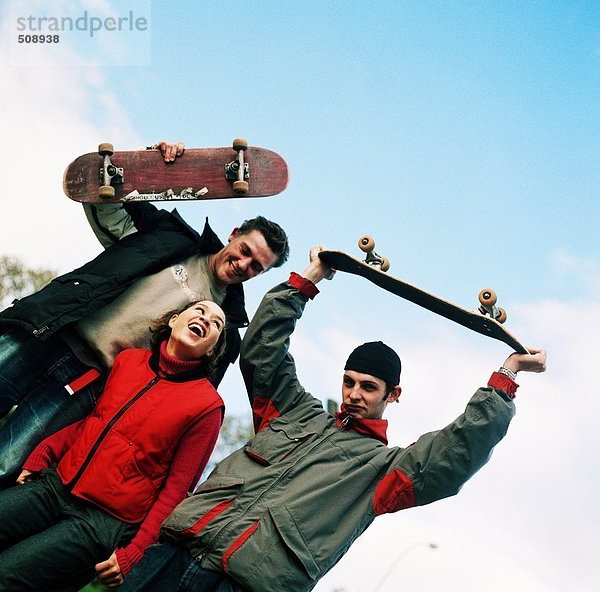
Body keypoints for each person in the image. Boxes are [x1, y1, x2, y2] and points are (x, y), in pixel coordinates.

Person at [121, 246, 547, 592]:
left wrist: (506, 376)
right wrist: (308, 280)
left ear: (392, 395)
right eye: (349, 382)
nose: (354, 394)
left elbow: (457, 450)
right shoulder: (295, 410)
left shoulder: (384, 471)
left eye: (368, 387)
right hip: (174, 553)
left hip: (244, 585)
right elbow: (262, 352)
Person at [0, 141, 289, 487]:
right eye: (244, 251)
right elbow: (103, 199)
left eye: (256, 266)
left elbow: (176, 395)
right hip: (49, 331)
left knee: (8, 462)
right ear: (233, 235)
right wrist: (151, 164)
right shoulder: (170, 238)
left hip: (88, 382)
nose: (243, 265)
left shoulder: (222, 335)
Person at [0, 299, 229, 591]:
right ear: (173, 320)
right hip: (55, 486)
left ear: (211, 349)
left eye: (217, 324)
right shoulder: (128, 361)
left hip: (99, 524)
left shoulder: (206, 406)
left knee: (6, 574)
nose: (206, 320)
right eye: (200, 311)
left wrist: (136, 551)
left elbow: (176, 491)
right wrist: (44, 453)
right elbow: (94, 423)